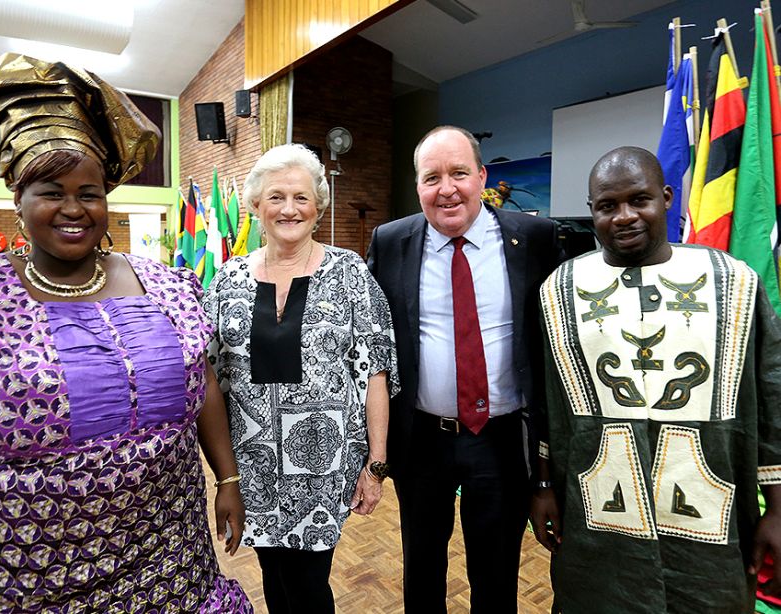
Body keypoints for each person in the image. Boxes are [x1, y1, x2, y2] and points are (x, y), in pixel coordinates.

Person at [0, 53, 251, 613]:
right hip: (9, 584)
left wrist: (228, 478)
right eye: (50, 190)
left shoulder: (170, 286)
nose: (74, 208)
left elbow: (202, 378)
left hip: (170, 572)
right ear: (16, 197)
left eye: (89, 192)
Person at [530, 146, 781, 612]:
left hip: (713, 525)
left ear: (666, 197)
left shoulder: (733, 281)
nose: (624, 217)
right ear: (592, 213)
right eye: (608, 206)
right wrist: (543, 485)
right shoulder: (559, 291)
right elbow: (546, 401)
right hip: (597, 520)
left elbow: (773, 391)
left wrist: (779, 507)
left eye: (639, 200)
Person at [366, 125, 563, 613]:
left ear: (481, 175)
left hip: (501, 440)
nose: (446, 189)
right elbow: (368, 341)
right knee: (422, 568)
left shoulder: (535, 238)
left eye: (458, 173)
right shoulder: (390, 242)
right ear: (418, 187)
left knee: (496, 573)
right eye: (432, 177)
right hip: (422, 440)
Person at [204, 143, 399, 614]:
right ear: (255, 205)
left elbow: (375, 371)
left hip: (325, 466)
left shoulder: (350, 273)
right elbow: (207, 375)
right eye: (276, 197)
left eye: (301, 198)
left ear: (318, 207)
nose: (289, 209)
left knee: (311, 585)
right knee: (274, 577)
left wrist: (376, 465)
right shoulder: (227, 279)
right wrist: (223, 476)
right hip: (253, 469)